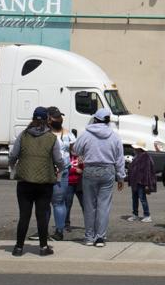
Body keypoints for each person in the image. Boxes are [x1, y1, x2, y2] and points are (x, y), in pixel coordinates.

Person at [9, 106, 65, 257]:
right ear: (47, 119)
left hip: (24, 181)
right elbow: (58, 160)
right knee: (42, 215)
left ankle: (18, 248)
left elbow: (13, 155)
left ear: (33, 118)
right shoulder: (52, 138)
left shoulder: (23, 135)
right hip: (44, 183)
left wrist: (13, 166)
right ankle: (43, 247)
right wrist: (60, 169)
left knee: (24, 216)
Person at [72, 107, 126, 248]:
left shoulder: (86, 134)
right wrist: (120, 177)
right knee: (104, 206)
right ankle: (100, 238)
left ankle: (89, 237)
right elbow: (119, 159)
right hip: (108, 170)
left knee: (90, 205)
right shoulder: (114, 136)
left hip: (90, 170)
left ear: (95, 119)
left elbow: (76, 149)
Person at [47, 106, 72, 241]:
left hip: (52, 170)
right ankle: (58, 231)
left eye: (59, 116)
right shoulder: (68, 134)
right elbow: (76, 150)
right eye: (56, 116)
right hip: (62, 170)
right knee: (58, 202)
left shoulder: (45, 134)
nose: (59, 119)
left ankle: (49, 230)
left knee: (49, 202)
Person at [125, 143, 156, 222]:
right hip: (135, 181)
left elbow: (147, 171)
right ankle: (135, 215)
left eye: (135, 148)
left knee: (142, 199)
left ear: (139, 148)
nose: (134, 149)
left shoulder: (145, 156)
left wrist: (146, 184)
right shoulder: (137, 156)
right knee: (134, 198)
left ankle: (147, 215)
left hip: (141, 181)